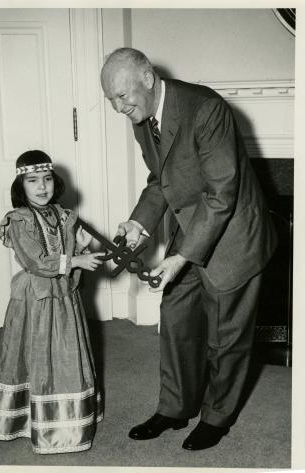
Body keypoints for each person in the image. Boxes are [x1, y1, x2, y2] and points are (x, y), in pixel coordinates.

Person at [101, 48, 277, 450]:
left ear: (147, 78)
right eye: (111, 100)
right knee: (176, 313)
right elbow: (161, 179)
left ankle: (217, 417)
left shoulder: (206, 109)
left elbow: (221, 195)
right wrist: (139, 225)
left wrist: (179, 257)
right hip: (194, 224)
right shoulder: (142, 115)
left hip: (235, 231)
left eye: (122, 96)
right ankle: (175, 407)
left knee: (226, 333)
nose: (118, 107)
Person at [0, 150, 104, 454]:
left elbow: (63, 246)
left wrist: (78, 244)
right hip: (36, 298)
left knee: (66, 351)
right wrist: (76, 259)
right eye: (33, 180)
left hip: (63, 294)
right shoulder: (19, 220)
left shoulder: (62, 214)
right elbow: (36, 261)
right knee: (36, 353)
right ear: (20, 186)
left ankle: (70, 421)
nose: (42, 187)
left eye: (47, 179)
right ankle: (30, 420)